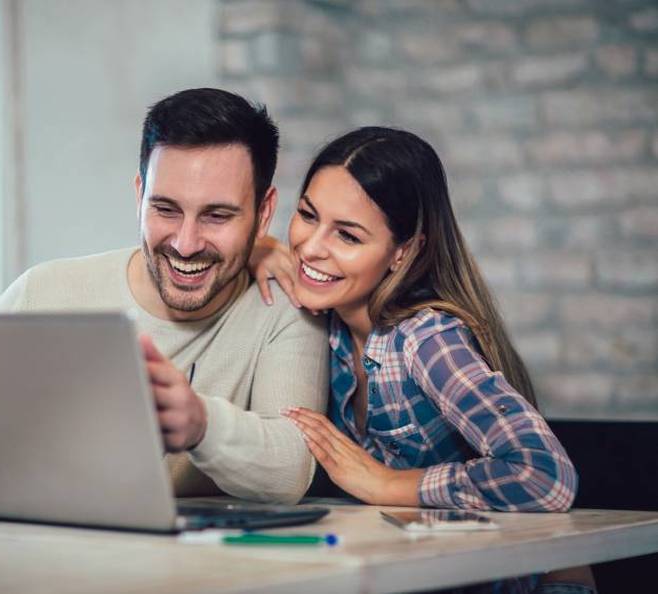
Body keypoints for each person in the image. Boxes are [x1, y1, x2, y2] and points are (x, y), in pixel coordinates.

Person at [0, 88, 329, 514]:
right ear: (140, 195)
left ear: (263, 213)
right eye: (166, 209)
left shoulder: (286, 306)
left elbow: (290, 470)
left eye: (217, 216)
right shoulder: (42, 293)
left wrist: (200, 424)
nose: (186, 244)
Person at [249, 127, 594, 593]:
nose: (310, 247)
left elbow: (546, 476)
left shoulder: (425, 338)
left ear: (404, 251)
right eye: (307, 215)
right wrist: (259, 247)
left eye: (348, 236)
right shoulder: (326, 321)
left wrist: (388, 485)